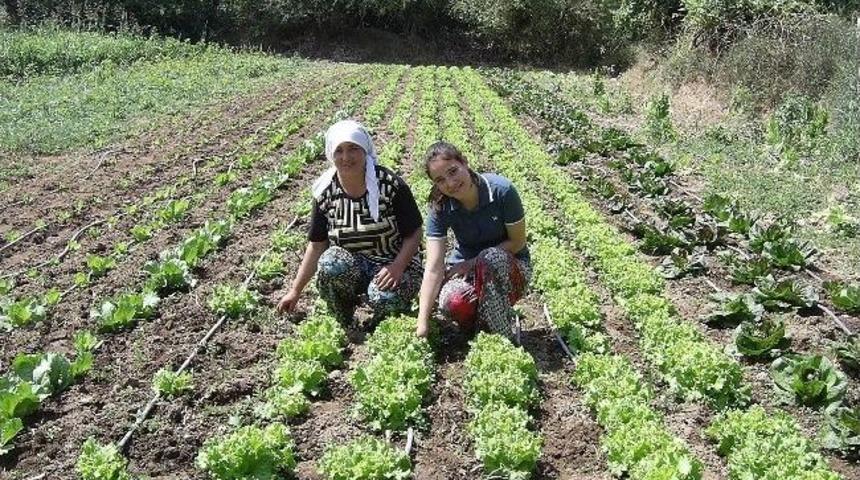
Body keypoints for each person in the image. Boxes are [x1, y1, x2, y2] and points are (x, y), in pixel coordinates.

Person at [277, 120, 423, 325]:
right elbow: (317, 245)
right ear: (331, 155)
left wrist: (397, 266)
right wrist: (295, 291)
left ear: (365, 150)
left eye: (354, 148)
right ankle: (344, 317)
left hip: (394, 264)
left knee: (385, 298)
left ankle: (381, 324)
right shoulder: (325, 192)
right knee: (329, 263)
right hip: (353, 268)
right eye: (339, 151)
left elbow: (414, 232)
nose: (346, 157)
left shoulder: (389, 184)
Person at [415, 141, 530, 340]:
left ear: (465, 163)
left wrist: (471, 263)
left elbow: (517, 242)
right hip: (469, 272)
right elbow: (433, 267)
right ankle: (481, 327)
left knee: (490, 258)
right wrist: (422, 322)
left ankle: (501, 338)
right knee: (453, 302)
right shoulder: (440, 206)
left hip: (512, 270)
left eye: (453, 171)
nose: (450, 183)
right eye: (440, 180)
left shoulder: (502, 191)